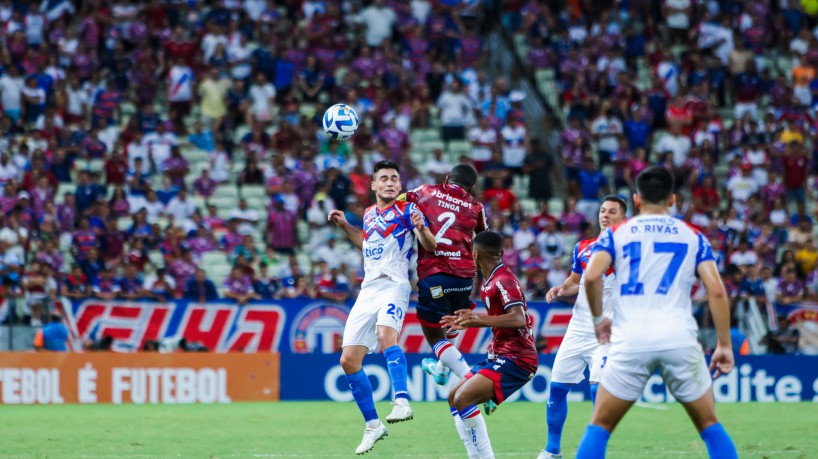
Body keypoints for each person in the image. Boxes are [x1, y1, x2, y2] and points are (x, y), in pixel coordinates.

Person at [576, 167, 738, 459]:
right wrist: (724, 345)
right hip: (679, 339)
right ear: (673, 199)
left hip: (631, 340)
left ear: (636, 200)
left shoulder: (615, 234)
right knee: (710, 426)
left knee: (599, 425)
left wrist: (599, 321)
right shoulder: (694, 237)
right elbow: (716, 290)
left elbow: (589, 277)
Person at [327, 160, 437, 455]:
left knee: (386, 333)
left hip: (394, 285)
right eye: (384, 179)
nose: (390, 183)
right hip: (368, 290)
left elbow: (431, 245)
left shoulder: (408, 212)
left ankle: (401, 400)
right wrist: (344, 225)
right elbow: (366, 245)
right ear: (373, 185)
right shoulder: (369, 213)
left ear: (400, 186)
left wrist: (422, 229)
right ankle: (373, 425)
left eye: (394, 178)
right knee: (348, 360)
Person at [538, 195, 627, 459]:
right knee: (556, 388)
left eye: (612, 212)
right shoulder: (583, 247)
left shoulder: (628, 249)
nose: (605, 215)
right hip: (578, 328)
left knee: (596, 389)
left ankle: (595, 451)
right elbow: (577, 281)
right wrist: (561, 288)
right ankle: (552, 450)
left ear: (623, 218)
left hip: (608, 331)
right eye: (602, 211)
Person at [442, 230, 538, 459]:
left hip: (517, 358)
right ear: (501, 253)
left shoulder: (503, 280)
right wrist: (466, 321)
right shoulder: (492, 280)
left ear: (474, 254)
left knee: (463, 398)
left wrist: (479, 319)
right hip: (501, 355)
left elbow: (518, 318)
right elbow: (499, 318)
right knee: (454, 397)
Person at [401, 164, 488, 388]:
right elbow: (485, 237)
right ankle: (440, 369)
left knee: (434, 335)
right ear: (472, 186)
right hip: (464, 276)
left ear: (448, 177)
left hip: (435, 272)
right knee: (453, 322)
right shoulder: (476, 206)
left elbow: (397, 199)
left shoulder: (425, 191)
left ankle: (473, 383)